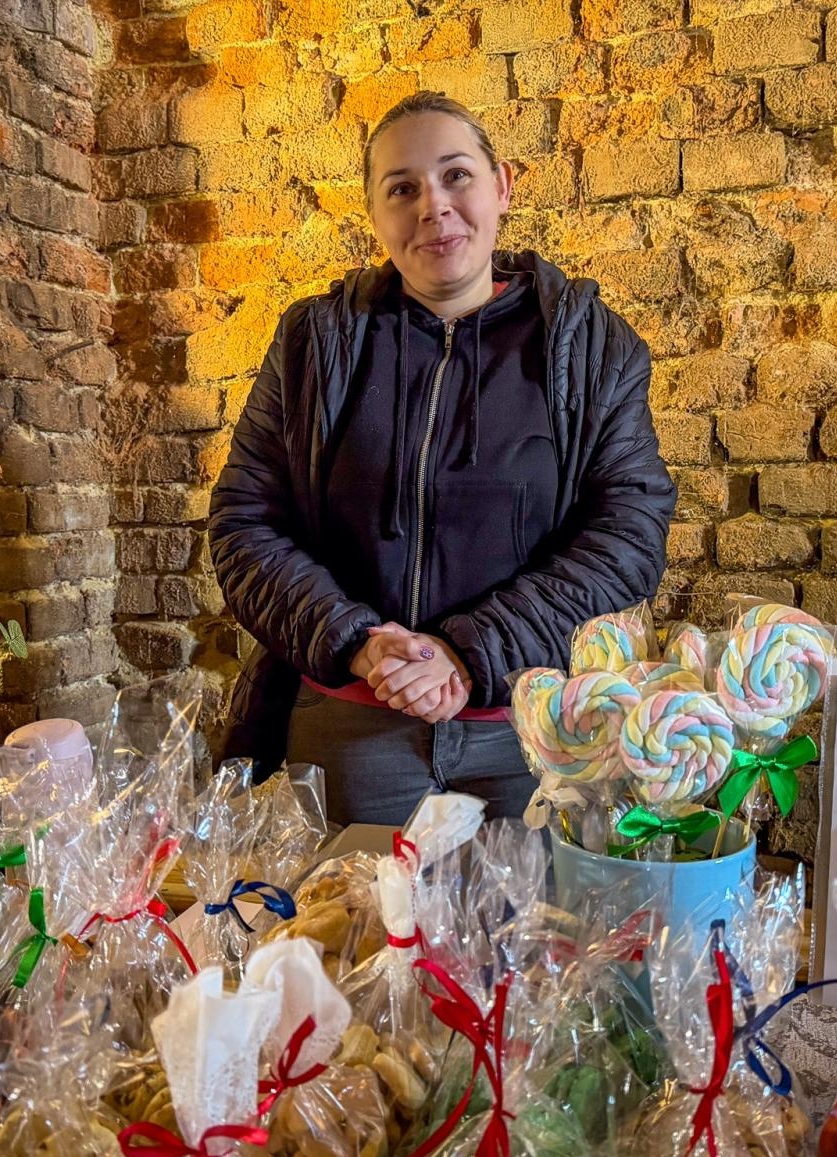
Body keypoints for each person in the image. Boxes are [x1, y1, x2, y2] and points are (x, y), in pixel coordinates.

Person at [209, 91, 675, 826]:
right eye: (402, 188)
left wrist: (469, 653)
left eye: (456, 175)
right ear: (375, 212)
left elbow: (629, 536)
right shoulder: (314, 343)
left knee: (532, 940)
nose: (433, 206)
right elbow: (244, 526)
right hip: (351, 736)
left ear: (503, 185)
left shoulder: (591, 347)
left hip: (539, 739)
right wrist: (359, 645)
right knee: (352, 933)